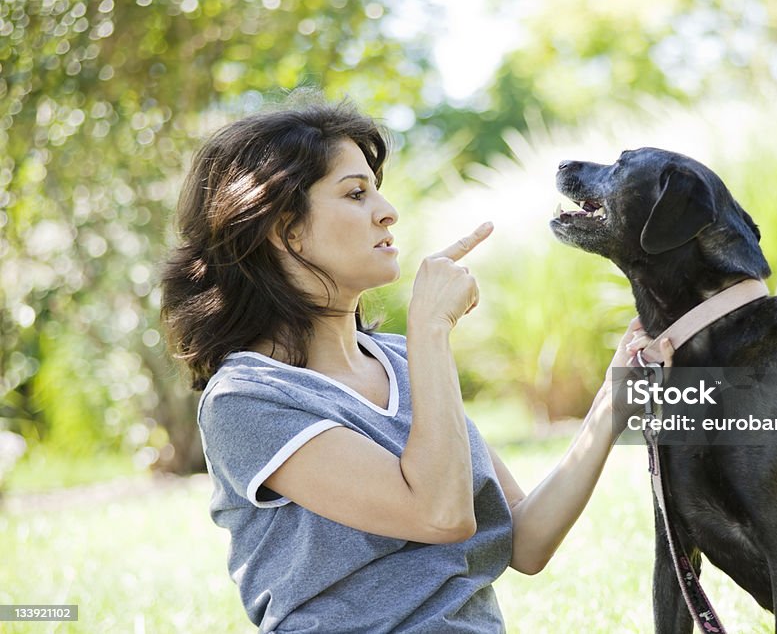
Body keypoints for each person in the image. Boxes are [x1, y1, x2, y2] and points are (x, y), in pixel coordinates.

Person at [160, 96, 673, 633]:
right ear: (285, 230)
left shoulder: (405, 363)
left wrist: (614, 401)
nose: (387, 211)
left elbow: (525, 541)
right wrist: (431, 330)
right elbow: (440, 515)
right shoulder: (248, 399)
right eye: (356, 193)